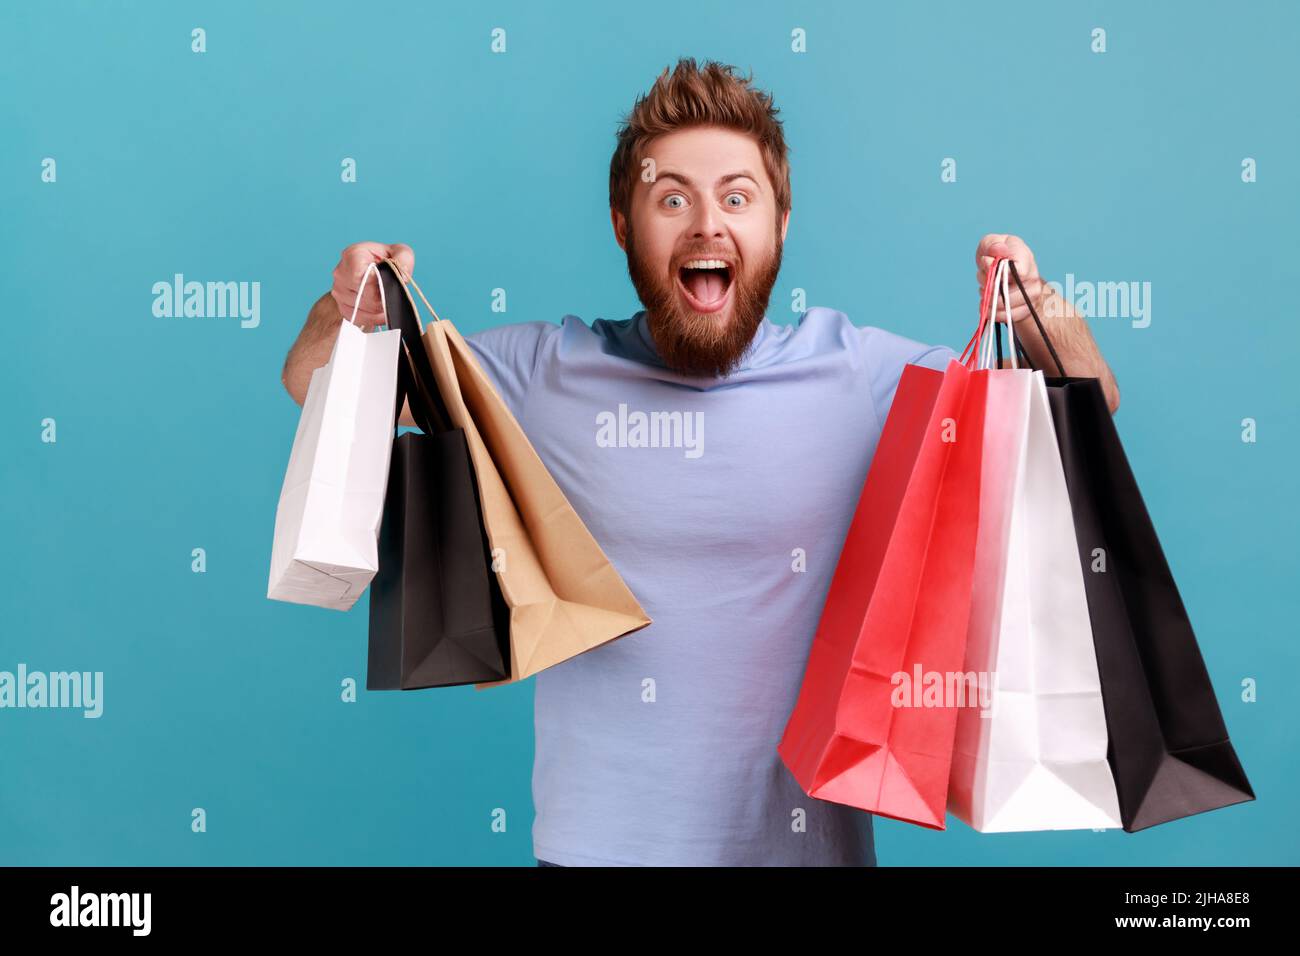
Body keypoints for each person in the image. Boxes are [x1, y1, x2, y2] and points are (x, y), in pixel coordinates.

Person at [280, 57, 1119, 867]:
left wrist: (1038, 311)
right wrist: (345, 306)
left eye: (737, 197)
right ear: (623, 224)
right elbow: (313, 385)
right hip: (594, 857)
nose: (707, 224)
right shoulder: (543, 374)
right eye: (671, 197)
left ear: (779, 225)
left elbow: (1086, 408)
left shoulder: (860, 376)